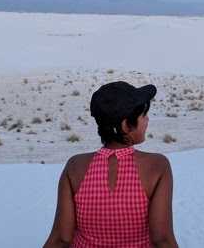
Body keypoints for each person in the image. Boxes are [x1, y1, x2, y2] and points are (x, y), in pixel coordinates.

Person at [43, 81, 178, 248]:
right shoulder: (157, 166)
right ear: (125, 125)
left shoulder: (75, 166)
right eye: (143, 115)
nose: (147, 120)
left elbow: (61, 238)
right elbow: (162, 239)